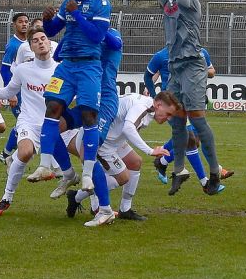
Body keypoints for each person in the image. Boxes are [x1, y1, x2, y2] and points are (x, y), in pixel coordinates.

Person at [36, 0, 114, 226]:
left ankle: (88, 174)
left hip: (89, 65)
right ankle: (46, 165)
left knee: (88, 114)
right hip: (67, 65)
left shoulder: (101, 3)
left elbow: (97, 36)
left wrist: (77, 14)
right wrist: (48, 20)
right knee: (52, 108)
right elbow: (50, 31)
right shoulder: (68, 2)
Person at [146, 0, 225, 196]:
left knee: (198, 120)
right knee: (177, 122)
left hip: (192, 64)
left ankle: (213, 172)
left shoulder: (190, 1)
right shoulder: (170, 2)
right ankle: (179, 170)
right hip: (175, 65)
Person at [0, 27, 58, 217]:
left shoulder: (60, 69)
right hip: (29, 121)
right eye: (35, 40)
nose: (40, 42)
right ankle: (7, 197)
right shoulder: (24, 70)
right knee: (24, 153)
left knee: (86, 154)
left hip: (55, 123)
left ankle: (97, 204)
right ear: (30, 47)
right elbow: (8, 92)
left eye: (44, 38)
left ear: (50, 44)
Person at [64, 92, 178, 221]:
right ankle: (76, 197)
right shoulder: (142, 106)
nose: (168, 118)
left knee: (135, 162)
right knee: (123, 177)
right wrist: (150, 151)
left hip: (113, 140)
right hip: (102, 142)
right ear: (158, 104)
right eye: (168, 114)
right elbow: (128, 128)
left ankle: (125, 209)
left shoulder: (147, 105)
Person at [146, 46, 232, 192]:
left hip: (193, 98)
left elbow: (212, 72)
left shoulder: (201, 52)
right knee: (190, 139)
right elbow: (152, 74)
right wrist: (154, 95)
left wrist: (198, 70)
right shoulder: (162, 55)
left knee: (192, 138)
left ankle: (163, 160)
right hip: (173, 103)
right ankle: (206, 181)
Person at [0, 12, 31, 162]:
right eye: (20, 22)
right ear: (14, 25)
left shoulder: (30, 43)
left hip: (29, 91)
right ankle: (8, 155)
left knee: (24, 123)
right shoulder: (13, 45)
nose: (24, 24)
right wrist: (10, 93)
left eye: (26, 22)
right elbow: (5, 70)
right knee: (25, 122)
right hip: (17, 92)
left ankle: (6, 154)